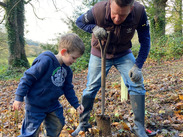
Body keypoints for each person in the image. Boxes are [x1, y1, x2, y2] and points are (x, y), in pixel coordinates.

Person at [71, 0, 150, 137]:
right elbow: (79, 21)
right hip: (99, 53)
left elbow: (145, 40)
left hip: (124, 53)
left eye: (122, 15)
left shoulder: (139, 12)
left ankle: (139, 128)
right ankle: (83, 124)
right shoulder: (98, 10)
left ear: (130, 9)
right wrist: (94, 28)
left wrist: (138, 66)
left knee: (137, 84)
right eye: (114, 14)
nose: (117, 19)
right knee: (90, 88)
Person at [13, 33, 85, 137]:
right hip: (35, 105)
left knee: (58, 123)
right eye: (73, 58)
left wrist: (76, 104)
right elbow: (27, 78)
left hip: (52, 104)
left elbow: (68, 89)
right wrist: (19, 97)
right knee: (30, 133)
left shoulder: (67, 70)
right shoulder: (46, 61)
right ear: (64, 52)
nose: (74, 61)